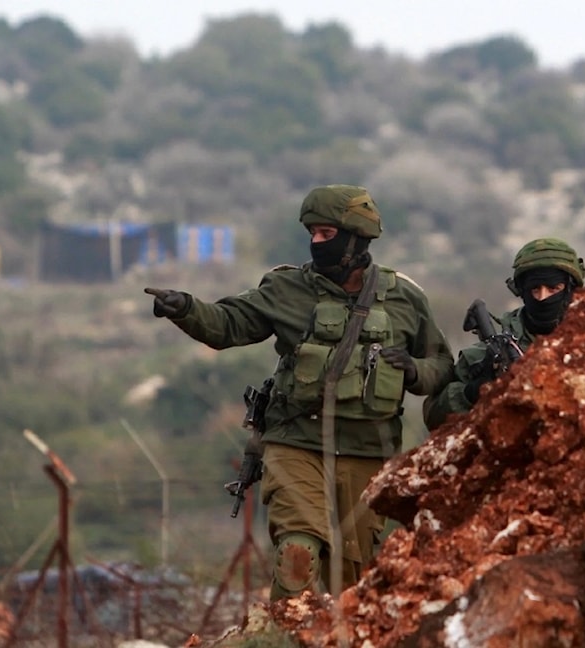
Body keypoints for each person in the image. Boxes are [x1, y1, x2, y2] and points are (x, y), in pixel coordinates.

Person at [144, 184, 454, 601]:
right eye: (312, 234)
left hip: (368, 450)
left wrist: (414, 371)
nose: (315, 243)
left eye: (326, 235)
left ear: (355, 238)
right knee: (298, 551)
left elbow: (442, 366)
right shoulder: (287, 288)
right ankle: (286, 635)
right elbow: (229, 324)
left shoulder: (404, 297)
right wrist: (186, 308)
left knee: (356, 579)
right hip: (296, 441)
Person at [423, 238, 585, 430]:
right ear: (521, 291)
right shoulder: (482, 355)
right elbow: (433, 417)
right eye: (535, 289)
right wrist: (471, 392)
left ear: (570, 289)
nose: (543, 298)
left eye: (553, 289)